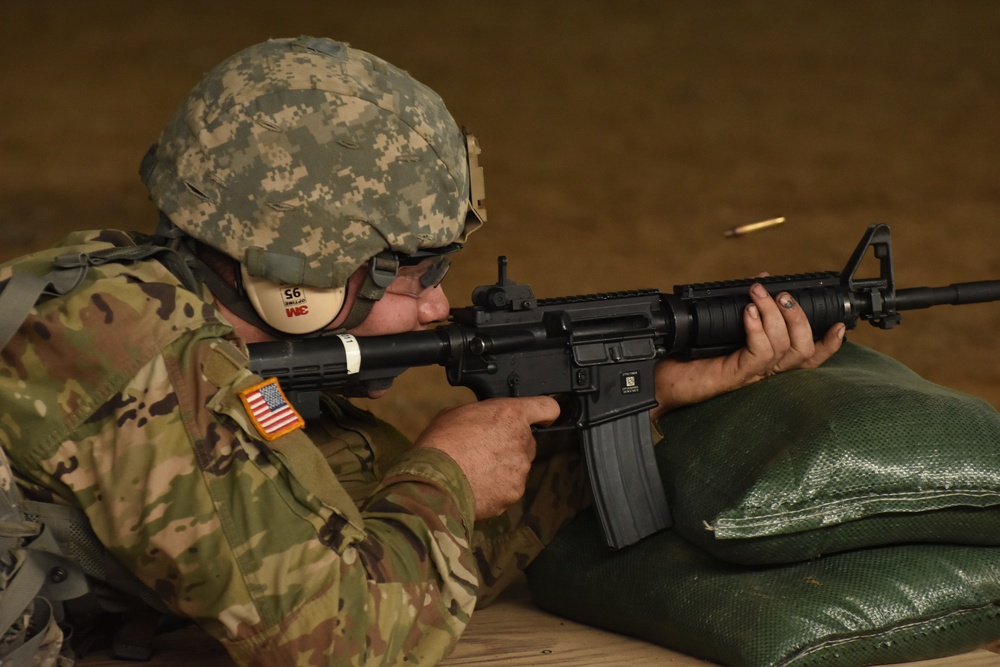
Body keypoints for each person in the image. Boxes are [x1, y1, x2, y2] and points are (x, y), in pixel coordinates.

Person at [0, 36, 844, 666]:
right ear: (305, 275)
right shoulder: (136, 350)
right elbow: (347, 640)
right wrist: (446, 472)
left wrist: (636, 392)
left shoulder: (182, 321)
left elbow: (385, 550)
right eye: (415, 273)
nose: (439, 303)